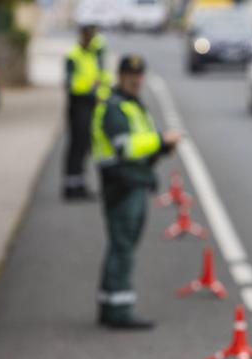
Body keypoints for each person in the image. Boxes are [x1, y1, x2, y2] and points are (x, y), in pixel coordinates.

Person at [92, 55, 181, 330]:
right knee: (123, 248)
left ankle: (110, 303)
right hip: (122, 185)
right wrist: (160, 140)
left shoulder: (132, 106)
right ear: (120, 77)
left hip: (134, 182)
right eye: (131, 77)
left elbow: (143, 143)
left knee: (122, 246)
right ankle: (119, 310)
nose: (137, 81)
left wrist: (162, 147)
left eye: (140, 76)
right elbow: (126, 147)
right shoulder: (115, 108)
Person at [62, 24, 110, 200]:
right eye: (89, 35)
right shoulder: (73, 55)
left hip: (93, 105)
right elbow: (70, 84)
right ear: (82, 35)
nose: (91, 38)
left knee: (86, 146)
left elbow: (103, 77)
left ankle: (80, 185)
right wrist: (91, 89)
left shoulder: (95, 54)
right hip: (78, 104)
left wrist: (103, 95)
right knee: (77, 145)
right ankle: (70, 186)